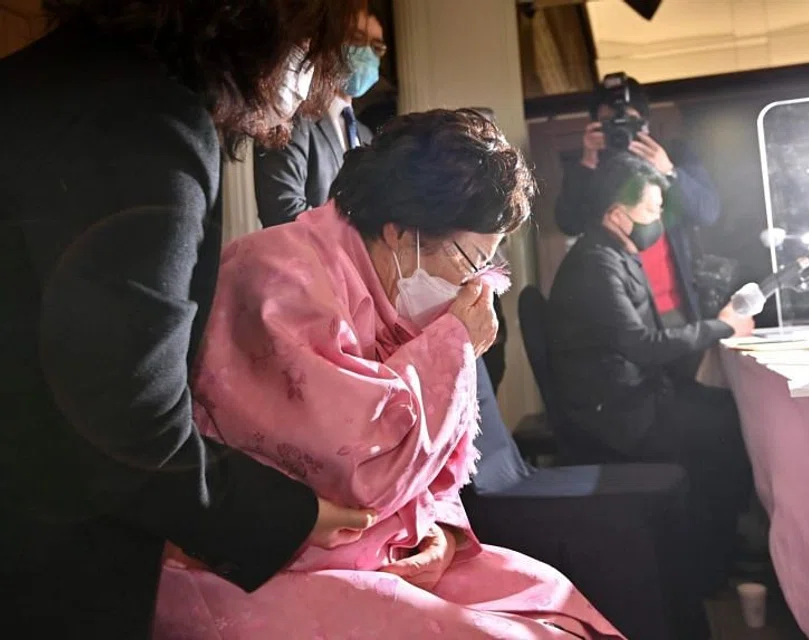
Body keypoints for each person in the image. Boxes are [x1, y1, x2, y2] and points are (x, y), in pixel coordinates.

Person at [153, 109, 623, 639]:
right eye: (472, 261)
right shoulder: (279, 275)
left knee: (553, 601)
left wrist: (440, 530)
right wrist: (454, 346)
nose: (478, 286)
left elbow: (427, 470)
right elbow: (355, 462)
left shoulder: (386, 288)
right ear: (403, 234)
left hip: (383, 550)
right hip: (270, 562)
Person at [0, 1, 380, 636]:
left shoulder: (46, 78)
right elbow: (125, 419)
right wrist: (289, 515)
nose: (314, 70)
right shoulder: (143, 120)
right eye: (311, 41)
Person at [548, 152, 754, 595]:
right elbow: (642, 344)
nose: (658, 221)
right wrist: (722, 327)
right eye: (650, 210)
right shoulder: (595, 264)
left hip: (636, 395)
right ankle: (705, 567)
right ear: (617, 215)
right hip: (616, 414)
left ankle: (717, 547)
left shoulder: (618, 252)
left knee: (722, 410)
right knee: (721, 431)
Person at [556, 75, 720, 319]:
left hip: (673, 304)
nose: (620, 129)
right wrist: (588, 162)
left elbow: (708, 212)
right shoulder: (589, 166)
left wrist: (670, 172)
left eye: (629, 121)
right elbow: (568, 223)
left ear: (645, 123)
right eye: (608, 123)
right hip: (617, 308)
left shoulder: (673, 154)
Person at [254, 8, 383, 228]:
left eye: (376, 46)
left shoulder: (367, 136)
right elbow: (281, 208)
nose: (367, 52)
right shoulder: (291, 117)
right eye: (357, 39)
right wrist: (352, 240)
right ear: (330, 42)